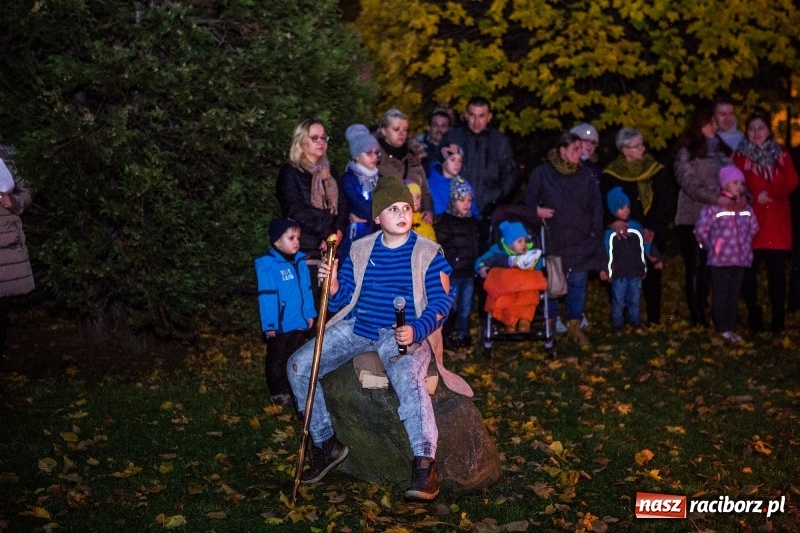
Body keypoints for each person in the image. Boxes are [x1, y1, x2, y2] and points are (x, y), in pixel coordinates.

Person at [287, 176, 472, 501]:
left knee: (408, 378)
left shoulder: (427, 252)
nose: (401, 213)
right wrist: (331, 288)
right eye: (391, 208)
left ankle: (424, 462)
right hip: (359, 326)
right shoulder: (360, 249)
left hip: (403, 330)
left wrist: (417, 330)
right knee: (299, 366)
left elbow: (442, 302)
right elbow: (345, 296)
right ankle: (326, 443)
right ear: (377, 217)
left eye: (405, 207)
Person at [522, 132, 605, 347]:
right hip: (554, 237)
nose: (581, 153)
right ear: (563, 150)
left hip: (580, 238)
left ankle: (575, 325)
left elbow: (596, 205)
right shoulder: (543, 173)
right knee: (554, 283)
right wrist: (536, 211)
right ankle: (550, 324)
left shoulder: (586, 176)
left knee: (578, 282)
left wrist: (595, 231)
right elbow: (528, 200)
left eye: (581, 149)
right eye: (576, 149)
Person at [732, 110, 799, 333]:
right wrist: (753, 195)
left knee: (776, 272)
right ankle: (754, 315)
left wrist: (772, 192)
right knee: (748, 272)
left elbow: (792, 181)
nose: (756, 133)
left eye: (760, 128)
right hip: (751, 220)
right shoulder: (740, 156)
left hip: (777, 221)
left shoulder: (782, 154)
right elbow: (734, 183)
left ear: (769, 130)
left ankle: (778, 319)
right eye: (752, 129)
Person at [673, 108, 739, 326]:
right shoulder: (687, 152)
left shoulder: (722, 151)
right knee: (696, 266)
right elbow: (689, 184)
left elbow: (736, 177)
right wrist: (716, 198)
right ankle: (697, 312)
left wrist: (742, 197)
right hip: (692, 216)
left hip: (720, 219)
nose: (715, 126)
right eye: (710, 122)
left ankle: (717, 310)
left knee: (715, 267)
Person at [600, 128, 671, 325]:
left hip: (650, 231)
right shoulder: (611, 174)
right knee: (621, 276)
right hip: (624, 235)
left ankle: (653, 319)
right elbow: (605, 203)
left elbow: (663, 201)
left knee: (652, 276)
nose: (643, 149)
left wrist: (652, 228)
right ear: (624, 150)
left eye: (642, 144)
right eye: (637, 146)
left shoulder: (655, 170)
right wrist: (613, 222)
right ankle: (621, 320)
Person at [275, 118, 349, 299]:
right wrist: (327, 232)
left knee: (327, 311)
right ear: (301, 141)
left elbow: (342, 206)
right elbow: (295, 210)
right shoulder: (291, 172)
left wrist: (337, 232)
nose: (321, 142)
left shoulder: (329, 174)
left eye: (324, 138)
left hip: (328, 253)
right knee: (305, 312)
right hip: (303, 252)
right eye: (315, 138)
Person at [254, 219, 316, 408]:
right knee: (277, 359)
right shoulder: (268, 265)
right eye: (291, 238)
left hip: (298, 322)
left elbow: (307, 290)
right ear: (277, 242)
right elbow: (267, 296)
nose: (296, 241)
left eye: (298, 237)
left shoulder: (300, 262)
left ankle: (291, 388)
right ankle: (278, 391)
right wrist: (269, 324)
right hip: (280, 325)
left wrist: (309, 314)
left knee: (294, 357)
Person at [694, 166, 759, 343]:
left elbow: (754, 227)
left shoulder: (745, 207)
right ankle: (721, 327)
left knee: (733, 293)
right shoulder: (715, 207)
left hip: (740, 258)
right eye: (735, 183)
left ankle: (730, 327)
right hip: (720, 259)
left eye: (741, 183)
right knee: (721, 293)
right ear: (725, 184)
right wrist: (712, 246)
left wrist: (744, 242)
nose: (739, 187)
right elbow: (701, 229)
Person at [440, 97, 517, 244]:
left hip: (488, 211)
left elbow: (510, 174)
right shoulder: (453, 137)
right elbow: (440, 171)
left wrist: (496, 196)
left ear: (489, 117)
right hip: (455, 213)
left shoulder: (499, 142)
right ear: (466, 116)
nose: (477, 121)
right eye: (472, 115)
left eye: (481, 116)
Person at [600, 187, 662, 333]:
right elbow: (605, 252)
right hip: (618, 274)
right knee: (619, 301)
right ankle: (617, 325)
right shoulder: (609, 233)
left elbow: (646, 245)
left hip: (636, 272)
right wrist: (603, 269)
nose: (626, 210)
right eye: (621, 208)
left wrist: (656, 259)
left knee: (635, 300)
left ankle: (636, 323)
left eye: (627, 207)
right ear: (613, 210)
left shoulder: (636, 227)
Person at [474, 220, 545, 333]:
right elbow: (482, 260)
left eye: (525, 241)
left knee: (529, 294)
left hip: (524, 286)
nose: (524, 244)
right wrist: (481, 267)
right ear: (510, 243)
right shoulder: (497, 251)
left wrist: (533, 262)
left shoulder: (530, 252)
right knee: (505, 298)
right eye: (520, 241)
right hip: (508, 287)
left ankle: (524, 320)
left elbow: (540, 265)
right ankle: (510, 321)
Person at [434, 179, 480, 348]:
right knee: (450, 307)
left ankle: (463, 334)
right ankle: (445, 336)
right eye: (462, 200)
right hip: (452, 273)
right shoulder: (445, 222)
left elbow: (475, 245)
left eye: (469, 200)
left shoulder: (472, 222)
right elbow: (442, 246)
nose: (466, 204)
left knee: (465, 307)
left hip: (468, 272)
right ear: (453, 200)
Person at [0, 143, 34, 361]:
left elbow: (27, 190)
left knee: (1, 311)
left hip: (4, 246)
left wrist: (13, 201)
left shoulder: (7, 152)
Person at [376, 108, 434, 222]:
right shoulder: (375, 160)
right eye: (396, 129)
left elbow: (425, 192)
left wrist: (428, 211)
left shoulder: (413, 158)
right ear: (384, 131)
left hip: (415, 223)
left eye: (405, 129)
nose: (402, 133)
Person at [340, 124, 382, 258]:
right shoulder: (349, 179)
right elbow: (360, 204)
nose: (374, 157)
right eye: (368, 153)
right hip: (357, 238)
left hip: (379, 238)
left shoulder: (381, 179)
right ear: (356, 156)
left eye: (376, 152)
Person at [427, 144, 480, 219]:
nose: (457, 164)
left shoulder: (465, 184)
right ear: (443, 162)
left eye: (460, 161)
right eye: (452, 159)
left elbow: (474, 212)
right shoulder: (429, 184)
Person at [417, 107, 454, 171]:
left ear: (449, 129)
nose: (439, 129)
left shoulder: (455, 152)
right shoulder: (418, 150)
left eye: (443, 126)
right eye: (435, 125)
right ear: (429, 128)